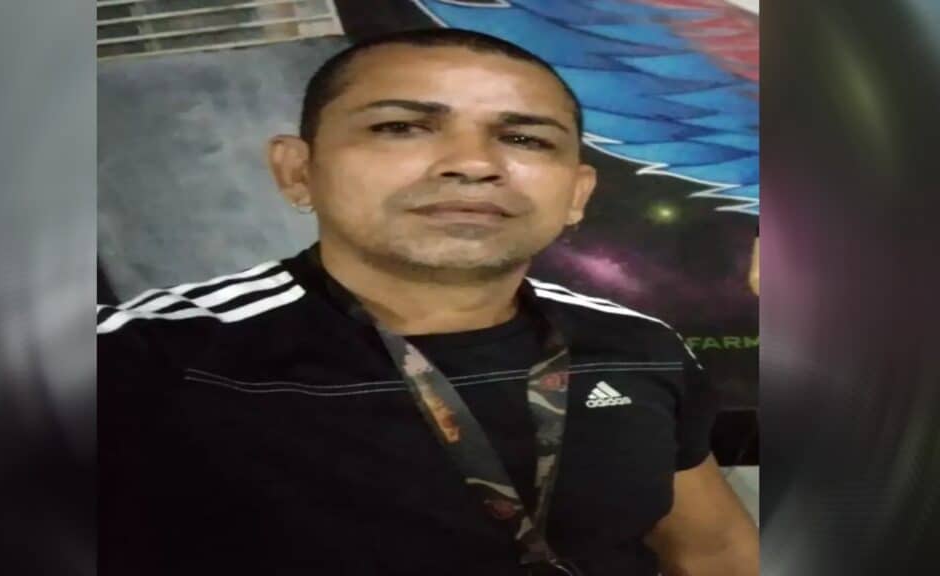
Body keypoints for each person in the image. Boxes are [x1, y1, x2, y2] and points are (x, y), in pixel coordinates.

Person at [98, 28, 758, 576]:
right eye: (402, 127)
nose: (473, 164)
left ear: (577, 194)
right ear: (297, 170)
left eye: (525, 139)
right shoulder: (147, 361)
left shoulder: (638, 346)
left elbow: (713, 553)